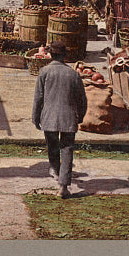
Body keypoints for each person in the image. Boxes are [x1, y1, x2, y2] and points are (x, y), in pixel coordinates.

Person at [32, 41, 88, 199]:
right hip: (69, 118)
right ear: (65, 55)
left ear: (50, 55)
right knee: (67, 149)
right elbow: (82, 100)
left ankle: (56, 172)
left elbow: (38, 98)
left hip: (49, 117)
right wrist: (80, 117)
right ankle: (63, 185)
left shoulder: (44, 72)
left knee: (53, 147)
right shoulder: (74, 74)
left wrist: (35, 118)